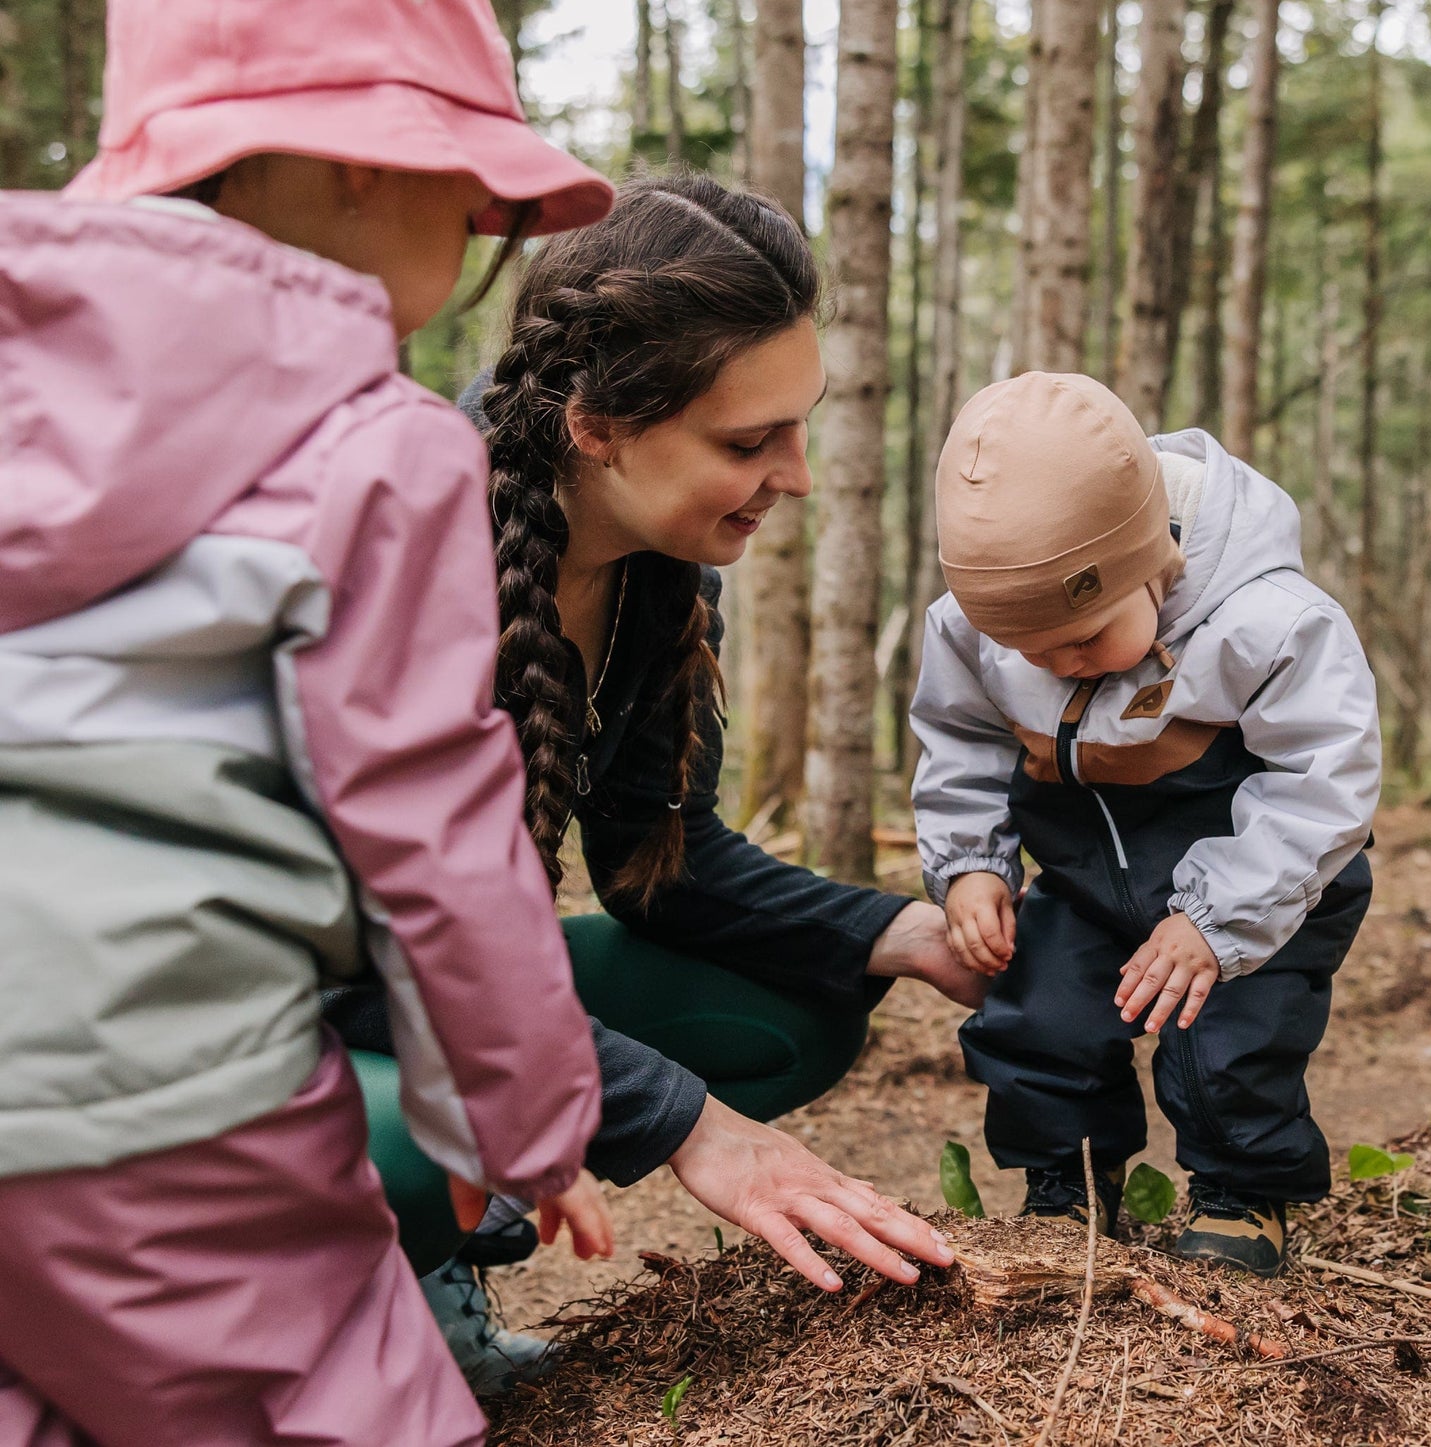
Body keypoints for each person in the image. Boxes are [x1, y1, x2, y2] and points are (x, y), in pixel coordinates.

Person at [0, 2, 624, 1443]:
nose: (482, 240)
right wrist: (517, 1124)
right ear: (359, 162)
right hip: (165, 1108)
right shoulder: (373, 444)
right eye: (477, 202)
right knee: (335, 1389)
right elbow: (433, 830)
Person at [330, 170, 981, 1380]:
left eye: (800, 424)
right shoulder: (398, 560)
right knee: (428, 1140)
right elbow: (352, 962)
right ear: (598, 422)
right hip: (275, 1022)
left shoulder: (659, 578)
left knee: (792, 1010)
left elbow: (658, 868)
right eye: (749, 441)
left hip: (444, 993)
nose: (795, 474)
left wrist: (905, 933)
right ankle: (374, 1292)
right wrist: (683, 1122)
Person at [910, 370, 1380, 1278]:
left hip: (1256, 885)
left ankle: (1242, 1188)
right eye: (1027, 651)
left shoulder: (1266, 622)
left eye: (1082, 640)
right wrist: (970, 862)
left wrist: (1216, 918)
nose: (1055, 664)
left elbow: (1325, 778)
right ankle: (1067, 1183)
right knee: (1035, 1012)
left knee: (1229, 1037)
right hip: (1086, 876)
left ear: (1152, 562)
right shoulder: (974, 630)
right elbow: (957, 739)